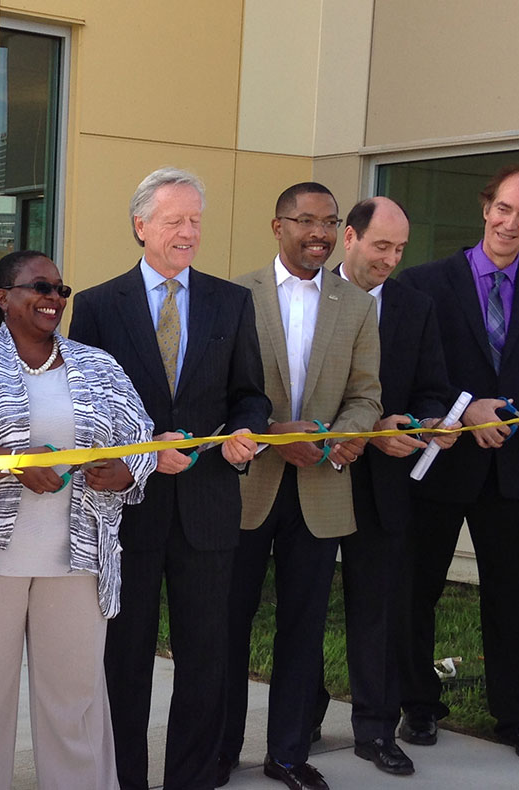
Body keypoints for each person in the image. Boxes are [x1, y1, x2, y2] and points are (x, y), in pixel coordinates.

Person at [0, 250, 156, 790]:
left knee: (74, 705)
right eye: (40, 287)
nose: (54, 298)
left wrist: (128, 470)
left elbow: (140, 435)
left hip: (77, 557)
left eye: (60, 290)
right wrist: (8, 467)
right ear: (4, 298)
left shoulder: (99, 364)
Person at [69, 167, 269, 790]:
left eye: (196, 221)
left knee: (206, 657)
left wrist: (246, 437)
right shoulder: (100, 306)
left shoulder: (231, 301)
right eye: (175, 221)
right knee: (123, 660)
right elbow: (86, 410)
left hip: (209, 509)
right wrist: (142, 452)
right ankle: (123, 778)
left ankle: (192, 776)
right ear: (141, 226)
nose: (189, 233)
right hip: (127, 511)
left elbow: (251, 396)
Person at [396, 163, 519, 762]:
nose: (511, 222)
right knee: (418, 590)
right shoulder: (424, 284)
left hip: (515, 470)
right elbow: (408, 375)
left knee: (515, 598)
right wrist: (461, 410)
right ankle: (417, 706)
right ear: (485, 208)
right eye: (504, 208)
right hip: (441, 464)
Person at [224, 182, 381, 790]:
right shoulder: (237, 295)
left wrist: (345, 435)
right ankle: (218, 747)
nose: (318, 232)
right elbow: (223, 391)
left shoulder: (357, 304)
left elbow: (367, 395)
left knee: (304, 628)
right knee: (229, 626)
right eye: (306, 220)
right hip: (248, 487)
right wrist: (266, 433)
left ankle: (288, 753)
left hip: (321, 490)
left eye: (329, 222)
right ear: (278, 225)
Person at [301, 197, 457, 777]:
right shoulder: (307, 295)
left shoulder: (417, 307)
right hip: (315, 476)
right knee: (306, 607)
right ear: (349, 238)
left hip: (386, 484)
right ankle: (302, 715)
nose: (390, 259)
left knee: (378, 611)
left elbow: (434, 392)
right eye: (380, 246)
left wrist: (413, 424)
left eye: (399, 249)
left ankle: (374, 729)